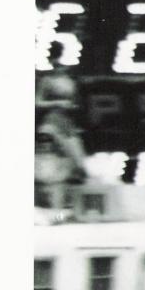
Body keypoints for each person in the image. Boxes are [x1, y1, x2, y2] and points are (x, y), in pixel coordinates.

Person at [35, 73, 88, 208]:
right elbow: (37, 102)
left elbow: (76, 103)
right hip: (52, 122)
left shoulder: (72, 80)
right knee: (57, 169)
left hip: (67, 122)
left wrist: (71, 106)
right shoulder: (46, 80)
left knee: (79, 163)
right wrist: (57, 103)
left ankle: (71, 201)